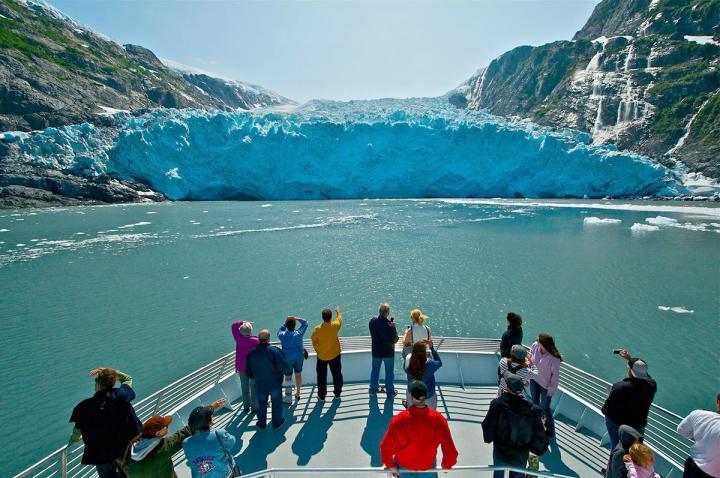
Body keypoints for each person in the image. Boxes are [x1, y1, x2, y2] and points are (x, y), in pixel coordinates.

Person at [69, 367, 141, 478]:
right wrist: (110, 371)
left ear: (98, 384)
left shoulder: (83, 407)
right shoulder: (122, 395)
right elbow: (127, 378)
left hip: (101, 455)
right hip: (124, 450)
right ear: (113, 382)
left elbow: (76, 433)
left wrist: (71, 443)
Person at [380, 380, 458, 476]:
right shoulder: (439, 420)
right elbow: (451, 451)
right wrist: (447, 464)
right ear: (426, 396)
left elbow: (385, 447)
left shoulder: (398, 420)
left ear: (412, 398)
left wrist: (390, 465)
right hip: (428, 470)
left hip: (404, 470)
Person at [482, 371, 549, 478]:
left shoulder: (497, 405)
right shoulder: (533, 411)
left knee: (498, 473)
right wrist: (535, 448)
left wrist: (490, 438)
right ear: (522, 389)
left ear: (507, 388)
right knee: (518, 475)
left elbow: (488, 426)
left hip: (500, 450)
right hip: (520, 453)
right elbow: (540, 435)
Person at [601, 349, 657, 451]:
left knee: (617, 448)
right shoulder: (652, 386)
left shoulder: (620, 387)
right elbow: (646, 375)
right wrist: (629, 359)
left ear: (630, 370)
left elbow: (606, 409)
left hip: (618, 424)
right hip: (638, 425)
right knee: (634, 452)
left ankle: (613, 466)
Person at [123, 413, 195, 477]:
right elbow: (182, 436)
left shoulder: (133, 447)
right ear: (158, 433)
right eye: (165, 426)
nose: (167, 426)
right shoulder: (163, 447)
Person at [182, 399, 240, 478]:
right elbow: (232, 442)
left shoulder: (186, 443)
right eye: (210, 416)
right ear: (209, 421)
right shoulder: (219, 434)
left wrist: (212, 407)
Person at [245, 329, 288, 429]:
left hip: (260, 384)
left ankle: (261, 424)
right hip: (275, 384)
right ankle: (277, 424)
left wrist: (254, 377)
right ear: (269, 339)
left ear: (258, 339)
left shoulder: (251, 353)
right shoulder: (275, 351)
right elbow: (282, 367)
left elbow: (249, 371)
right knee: (276, 403)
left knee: (261, 404)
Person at [676, 393, 720, 478]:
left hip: (693, 465)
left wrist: (699, 436)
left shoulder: (698, 414)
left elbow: (681, 430)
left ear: (718, 402)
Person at [529, 333, 562, 438]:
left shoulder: (553, 358)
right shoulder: (535, 346)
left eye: (538, 340)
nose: (536, 341)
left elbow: (555, 376)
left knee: (545, 408)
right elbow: (531, 357)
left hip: (545, 386)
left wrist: (551, 389)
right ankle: (537, 424)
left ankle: (550, 431)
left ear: (543, 343)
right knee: (534, 403)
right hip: (534, 380)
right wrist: (529, 363)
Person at [311, 306, 344, 401]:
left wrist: (318, 350)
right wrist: (338, 312)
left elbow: (314, 341)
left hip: (322, 357)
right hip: (335, 355)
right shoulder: (335, 326)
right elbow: (339, 319)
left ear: (322, 317)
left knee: (321, 377)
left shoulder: (317, 329)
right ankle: (337, 394)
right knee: (337, 374)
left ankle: (322, 396)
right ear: (331, 317)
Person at [369, 303, 399, 397]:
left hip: (376, 352)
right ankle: (390, 392)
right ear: (388, 313)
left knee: (375, 370)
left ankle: (373, 391)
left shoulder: (372, 321)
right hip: (388, 353)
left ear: (379, 311)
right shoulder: (390, 326)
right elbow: (395, 340)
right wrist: (393, 328)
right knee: (389, 372)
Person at [403, 340, 442, 410]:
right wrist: (432, 348)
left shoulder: (408, 361)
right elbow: (439, 362)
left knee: (412, 416)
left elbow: (408, 361)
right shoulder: (430, 364)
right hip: (428, 396)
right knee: (429, 418)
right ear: (424, 353)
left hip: (412, 395)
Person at [278, 315, 308, 402]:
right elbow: (305, 323)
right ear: (295, 325)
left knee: (288, 377)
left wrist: (286, 322)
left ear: (287, 325)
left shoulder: (282, 335)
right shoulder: (299, 333)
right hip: (299, 357)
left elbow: (281, 329)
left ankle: (288, 397)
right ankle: (298, 393)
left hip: (287, 359)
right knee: (298, 374)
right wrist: (296, 318)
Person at [231, 319, 259, 413]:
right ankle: (254, 408)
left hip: (241, 368)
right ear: (251, 331)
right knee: (253, 386)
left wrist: (242, 322)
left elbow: (234, 326)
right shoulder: (256, 341)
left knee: (244, 386)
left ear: (241, 332)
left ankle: (246, 407)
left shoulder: (238, 339)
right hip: (253, 368)